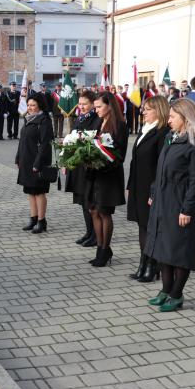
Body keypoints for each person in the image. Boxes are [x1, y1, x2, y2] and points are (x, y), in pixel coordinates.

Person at [146, 99, 195, 311]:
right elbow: (160, 170)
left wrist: (187, 209)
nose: (169, 120)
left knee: (180, 250)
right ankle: (166, 289)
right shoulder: (171, 137)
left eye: (173, 117)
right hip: (163, 200)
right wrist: (154, 193)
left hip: (180, 203)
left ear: (186, 117)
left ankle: (176, 294)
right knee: (163, 246)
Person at [126, 96, 171, 282]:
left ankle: (152, 266)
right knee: (142, 226)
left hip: (150, 188)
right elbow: (135, 161)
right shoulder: (145, 130)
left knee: (151, 228)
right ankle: (143, 264)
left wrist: (154, 191)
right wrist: (129, 185)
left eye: (147, 109)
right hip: (138, 186)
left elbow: (162, 166)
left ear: (159, 111)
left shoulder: (163, 132)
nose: (143, 112)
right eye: (143, 108)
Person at [86, 92, 129, 267]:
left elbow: (119, 155)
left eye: (99, 107)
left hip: (109, 175)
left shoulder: (120, 126)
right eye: (95, 107)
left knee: (104, 212)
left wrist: (101, 162)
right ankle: (99, 248)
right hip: (94, 174)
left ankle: (105, 249)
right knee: (93, 211)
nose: (96, 110)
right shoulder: (98, 122)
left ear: (109, 106)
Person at [65, 90, 101, 248]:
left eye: (84, 104)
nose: (81, 106)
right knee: (82, 200)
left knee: (89, 201)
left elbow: (93, 139)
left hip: (88, 165)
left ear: (93, 104)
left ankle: (95, 235)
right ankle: (89, 232)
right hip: (78, 165)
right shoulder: (80, 117)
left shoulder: (96, 119)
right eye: (79, 104)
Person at [15, 93, 54, 234]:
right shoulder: (28, 119)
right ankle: (33, 218)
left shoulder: (44, 120)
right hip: (26, 160)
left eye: (33, 105)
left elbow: (45, 144)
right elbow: (22, 141)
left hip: (38, 161)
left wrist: (37, 163)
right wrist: (18, 158)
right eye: (28, 105)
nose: (30, 108)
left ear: (40, 106)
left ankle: (41, 221)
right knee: (30, 191)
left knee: (39, 192)